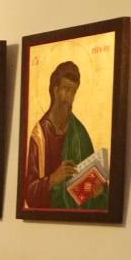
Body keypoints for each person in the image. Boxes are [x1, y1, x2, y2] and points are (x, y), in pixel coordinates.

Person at [23, 60, 106, 210]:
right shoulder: (39, 136)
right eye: (66, 89)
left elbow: (93, 183)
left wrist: (98, 191)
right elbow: (28, 193)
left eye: (73, 92)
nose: (69, 97)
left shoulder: (80, 133)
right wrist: (53, 179)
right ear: (55, 90)